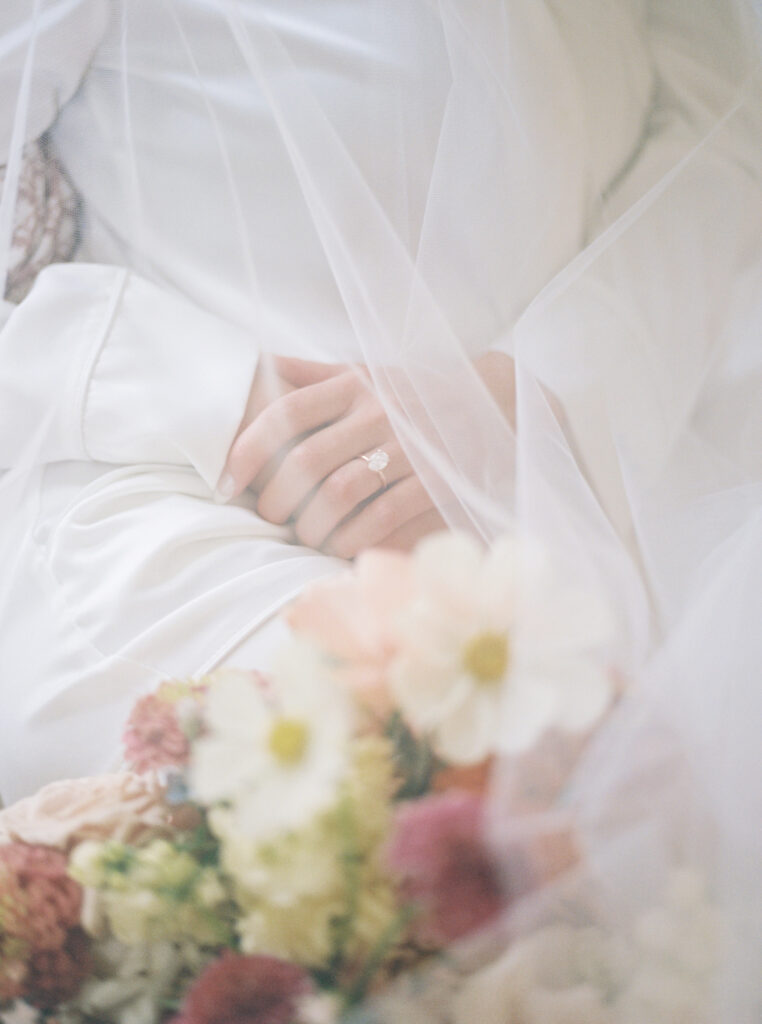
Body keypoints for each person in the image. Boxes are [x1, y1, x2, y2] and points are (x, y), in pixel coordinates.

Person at [0, 2, 760, 1013]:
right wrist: (222, 399)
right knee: (444, 855)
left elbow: (723, 126)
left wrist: (540, 391)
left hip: (588, 490)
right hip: (172, 510)